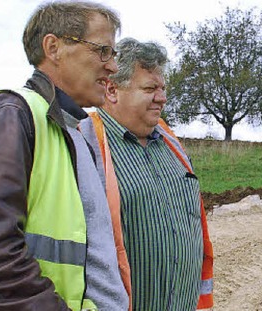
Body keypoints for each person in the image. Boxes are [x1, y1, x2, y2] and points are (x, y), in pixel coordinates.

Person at [0, 1, 130, 310]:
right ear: (53, 47)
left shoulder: (73, 131)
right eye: (102, 51)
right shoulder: (8, 116)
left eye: (114, 54)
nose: (112, 66)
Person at [81, 37, 214, 310]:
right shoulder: (85, 144)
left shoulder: (171, 142)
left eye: (163, 88)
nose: (163, 98)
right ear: (112, 90)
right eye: (150, 88)